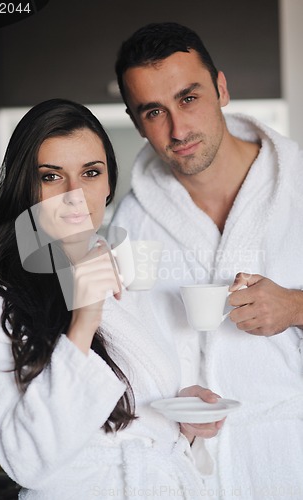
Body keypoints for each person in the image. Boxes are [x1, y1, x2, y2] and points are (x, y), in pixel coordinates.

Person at [0, 98, 224, 500]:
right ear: (26, 188)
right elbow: (25, 460)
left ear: (108, 185)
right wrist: (84, 319)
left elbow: (141, 422)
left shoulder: (126, 279)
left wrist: (179, 417)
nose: (74, 194)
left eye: (90, 172)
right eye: (52, 177)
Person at [110, 22, 303, 499]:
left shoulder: (297, 187)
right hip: (196, 474)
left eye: (188, 98)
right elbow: (128, 357)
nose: (178, 129)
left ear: (220, 88)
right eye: (154, 111)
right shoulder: (131, 223)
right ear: (136, 122)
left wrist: (296, 307)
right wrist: (168, 404)